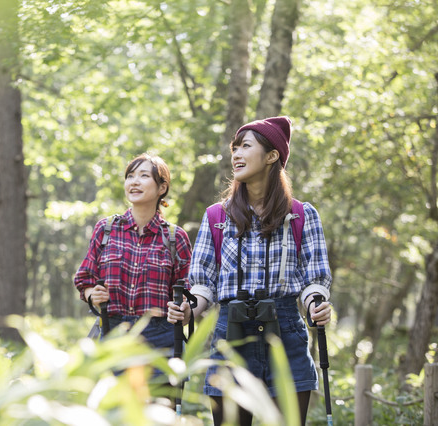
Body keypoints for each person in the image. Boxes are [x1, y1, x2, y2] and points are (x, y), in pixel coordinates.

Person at [167, 116, 333, 425]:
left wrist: (317, 305)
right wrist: (189, 309)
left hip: (286, 333)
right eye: (234, 148)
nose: (236, 154)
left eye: (246, 146)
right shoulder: (216, 215)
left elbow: (315, 279)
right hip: (231, 333)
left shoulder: (301, 215)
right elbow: (203, 283)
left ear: (272, 156)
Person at [74, 152, 192, 376]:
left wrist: (184, 310)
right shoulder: (106, 229)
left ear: (162, 188)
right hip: (112, 333)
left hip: (160, 340)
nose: (134, 181)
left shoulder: (176, 237)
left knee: (158, 409)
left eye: (144, 175)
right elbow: (85, 278)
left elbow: (187, 292)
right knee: (113, 409)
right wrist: (92, 295)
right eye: (130, 176)